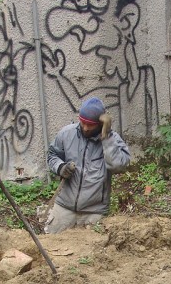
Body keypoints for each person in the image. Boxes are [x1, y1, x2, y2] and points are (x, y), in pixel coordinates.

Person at [45, 97, 131, 233]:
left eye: (90, 124)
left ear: (99, 124)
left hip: (94, 212)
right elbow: (52, 156)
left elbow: (118, 166)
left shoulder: (113, 140)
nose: (85, 128)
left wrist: (106, 138)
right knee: (50, 247)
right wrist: (61, 167)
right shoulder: (66, 134)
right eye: (83, 122)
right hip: (64, 207)